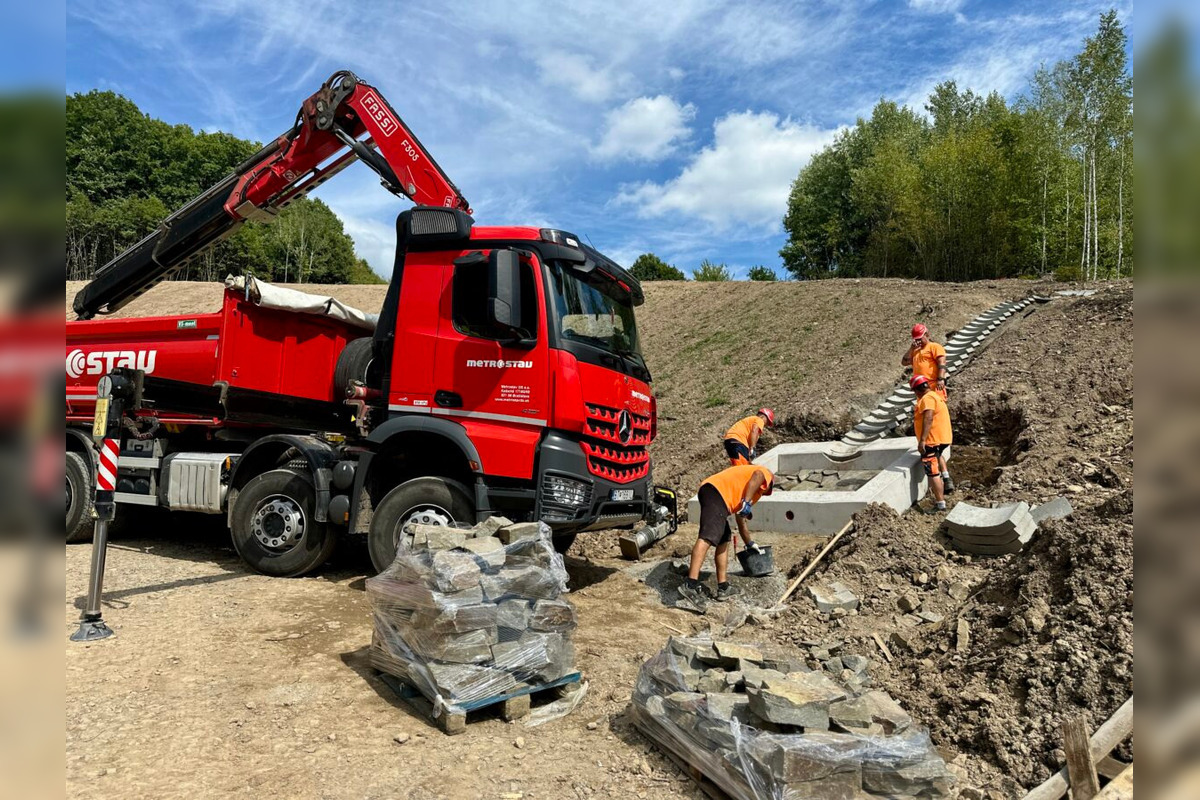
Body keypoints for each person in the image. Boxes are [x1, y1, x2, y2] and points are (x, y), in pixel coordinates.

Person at [678, 463, 774, 605]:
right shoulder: (763, 474)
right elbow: (759, 475)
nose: (764, 492)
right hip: (715, 492)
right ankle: (690, 585)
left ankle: (723, 587)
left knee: (724, 538)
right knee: (707, 536)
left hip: (716, 496)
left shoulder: (749, 490)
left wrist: (749, 543)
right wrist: (747, 502)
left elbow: (740, 518)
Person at [911, 374, 953, 511]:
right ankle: (945, 482)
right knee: (936, 463)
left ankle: (940, 504)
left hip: (931, 441)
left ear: (917, 390)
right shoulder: (935, 396)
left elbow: (928, 418)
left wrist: (922, 440)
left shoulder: (927, 399)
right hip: (941, 438)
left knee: (933, 473)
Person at [902, 323, 948, 398]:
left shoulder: (934, 346)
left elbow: (942, 363)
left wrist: (941, 379)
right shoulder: (915, 351)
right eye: (916, 340)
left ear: (926, 335)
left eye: (920, 339)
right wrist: (911, 349)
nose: (918, 341)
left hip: (934, 386)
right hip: (921, 390)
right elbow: (904, 362)